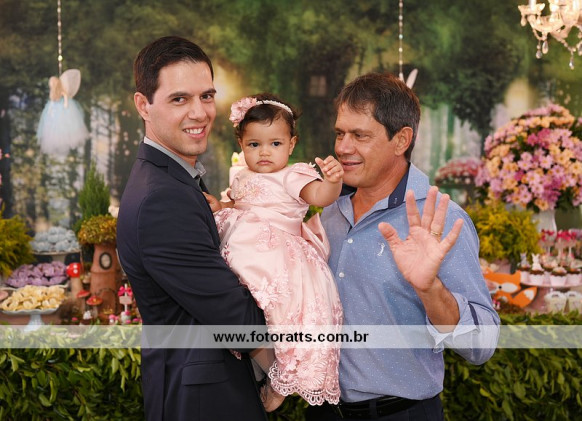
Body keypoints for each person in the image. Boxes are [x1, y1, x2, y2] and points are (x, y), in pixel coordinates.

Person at [308, 72, 500, 420]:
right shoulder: (330, 211)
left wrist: (430, 289)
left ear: (401, 140)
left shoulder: (439, 219)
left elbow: (481, 345)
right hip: (321, 411)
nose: (342, 147)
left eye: (360, 135)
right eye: (340, 133)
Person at [116, 36, 268, 421]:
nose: (199, 113)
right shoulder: (162, 197)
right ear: (143, 105)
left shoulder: (172, 177)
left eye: (206, 96)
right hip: (204, 400)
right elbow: (237, 318)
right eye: (180, 99)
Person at [204, 93, 344, 412]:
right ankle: (264, 368)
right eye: (254, 144)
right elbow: (238, 203)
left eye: (275, 144)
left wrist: (333, 182)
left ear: (291, 145)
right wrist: (220, 205)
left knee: (284, 315)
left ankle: (281, 375)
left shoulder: (293, 175)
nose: (264, 152)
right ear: (241, 143)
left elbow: (320, 195)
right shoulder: (242, 175)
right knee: (251, 316)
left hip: (277, 253)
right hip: (244, 245)